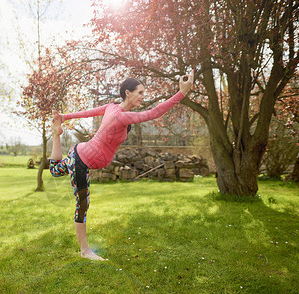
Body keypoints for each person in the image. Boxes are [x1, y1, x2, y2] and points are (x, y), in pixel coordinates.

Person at [50, 71, 194, 261]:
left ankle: (55, 134)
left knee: (54, 170)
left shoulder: (113, 109)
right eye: (140, 92)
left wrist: (64, 116)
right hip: (82, 160)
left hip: (79, 153)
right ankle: (85, 251)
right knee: (82, 204)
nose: (143, 97)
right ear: (128, 92)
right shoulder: (121, 116)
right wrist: (181, 93)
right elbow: (154, 112)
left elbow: (88, 112)